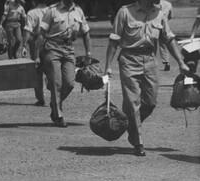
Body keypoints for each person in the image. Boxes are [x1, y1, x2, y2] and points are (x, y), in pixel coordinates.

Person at [104, 0, 189, 157]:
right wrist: (108, 65)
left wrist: (181, 62)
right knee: (132, 102)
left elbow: (168, 39)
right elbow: (114, 39)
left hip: (150, 60)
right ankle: (138, 142)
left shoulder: (159, 13)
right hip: (129, 60)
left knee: (150, 102)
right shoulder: (125, 12)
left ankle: (130, 124)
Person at [35, 0, 92, 127]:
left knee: (70, 83)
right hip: (52, 48)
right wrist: (36, 56)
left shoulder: (78, 11)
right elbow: (41, 34)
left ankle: (54, 103)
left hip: (68, 49)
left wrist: (88, 54)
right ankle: (58, 116)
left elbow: (86, 33)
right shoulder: (52, 11)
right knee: (57, 84)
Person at [22, 0, 47, 106]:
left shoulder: (31, 13)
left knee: (37, 72)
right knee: (52, 68)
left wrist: (24, 46)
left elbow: (28, 30)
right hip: (50, 43)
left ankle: (40, 98)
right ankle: (55, 95)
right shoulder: (52, 11)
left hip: (35, 43)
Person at [158, 0, 172, 71]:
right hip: (165, 25)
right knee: (163, 44)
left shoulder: (153, 3)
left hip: (155, 24)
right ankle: (167, 62)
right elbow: (170, 16)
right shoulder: (168, 4)